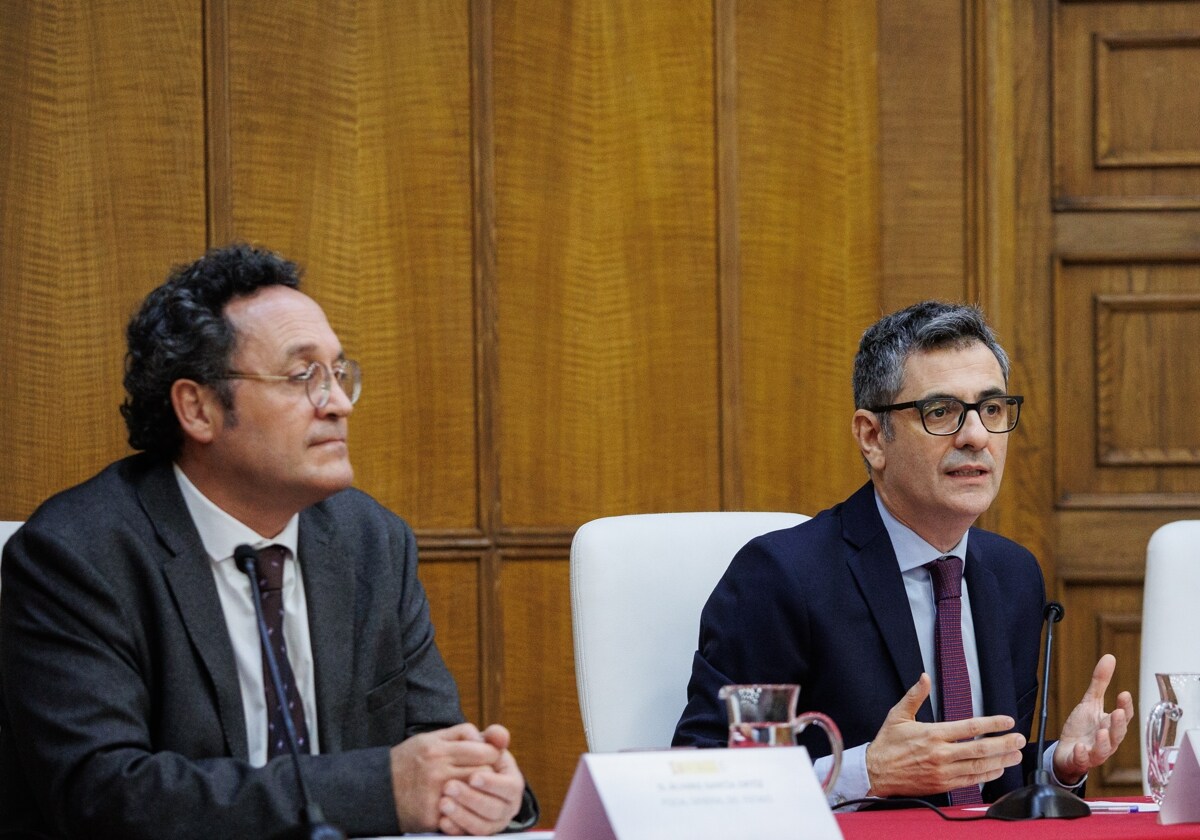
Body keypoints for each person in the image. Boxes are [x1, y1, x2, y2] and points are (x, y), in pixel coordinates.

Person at [0, 244, 538, 838]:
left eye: (338, 374)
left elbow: (430, 744)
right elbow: (104, 797)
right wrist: (376, 790)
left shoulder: (372, 542)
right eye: (303, 376)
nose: (337, 404)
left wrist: (480, 787)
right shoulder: (78, 555)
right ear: (198, 408)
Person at [673, 300, 1133, 807]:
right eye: (942, 412)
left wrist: (1055, 765)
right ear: (873, 437)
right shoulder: (784, 575)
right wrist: (865, 771)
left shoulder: (1012, 574)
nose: (977, 436)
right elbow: (705, 774)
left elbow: (981, 779)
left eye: (993, 409)